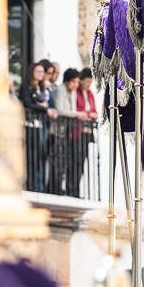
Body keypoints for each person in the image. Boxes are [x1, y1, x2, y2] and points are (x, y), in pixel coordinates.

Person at [20, 63, 56, 192]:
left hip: (40, 124)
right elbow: (28, 103)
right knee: (32, 156)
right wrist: (44, 108)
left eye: (42, 72)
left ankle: (38, 185)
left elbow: (42, 102)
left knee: (40, 155)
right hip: (29, 124)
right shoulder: (26, 87)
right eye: (38, 71)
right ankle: (31, 184)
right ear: (32, 72)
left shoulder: (41, 87)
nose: (41, 74)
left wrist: (42, 105)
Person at [53, 68, 86, 196]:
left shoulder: (72, 92)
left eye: (78, 82)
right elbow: (60, 110)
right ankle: (55, 188)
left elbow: (71, 109)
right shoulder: (60, 90)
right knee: (58, 160)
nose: (76, 85)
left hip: (68, 130)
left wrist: (74, 114)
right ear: (67, 81)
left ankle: (63, 188)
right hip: (57, 130)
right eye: (74, 82)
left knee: (66, 160)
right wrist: (77, 114)